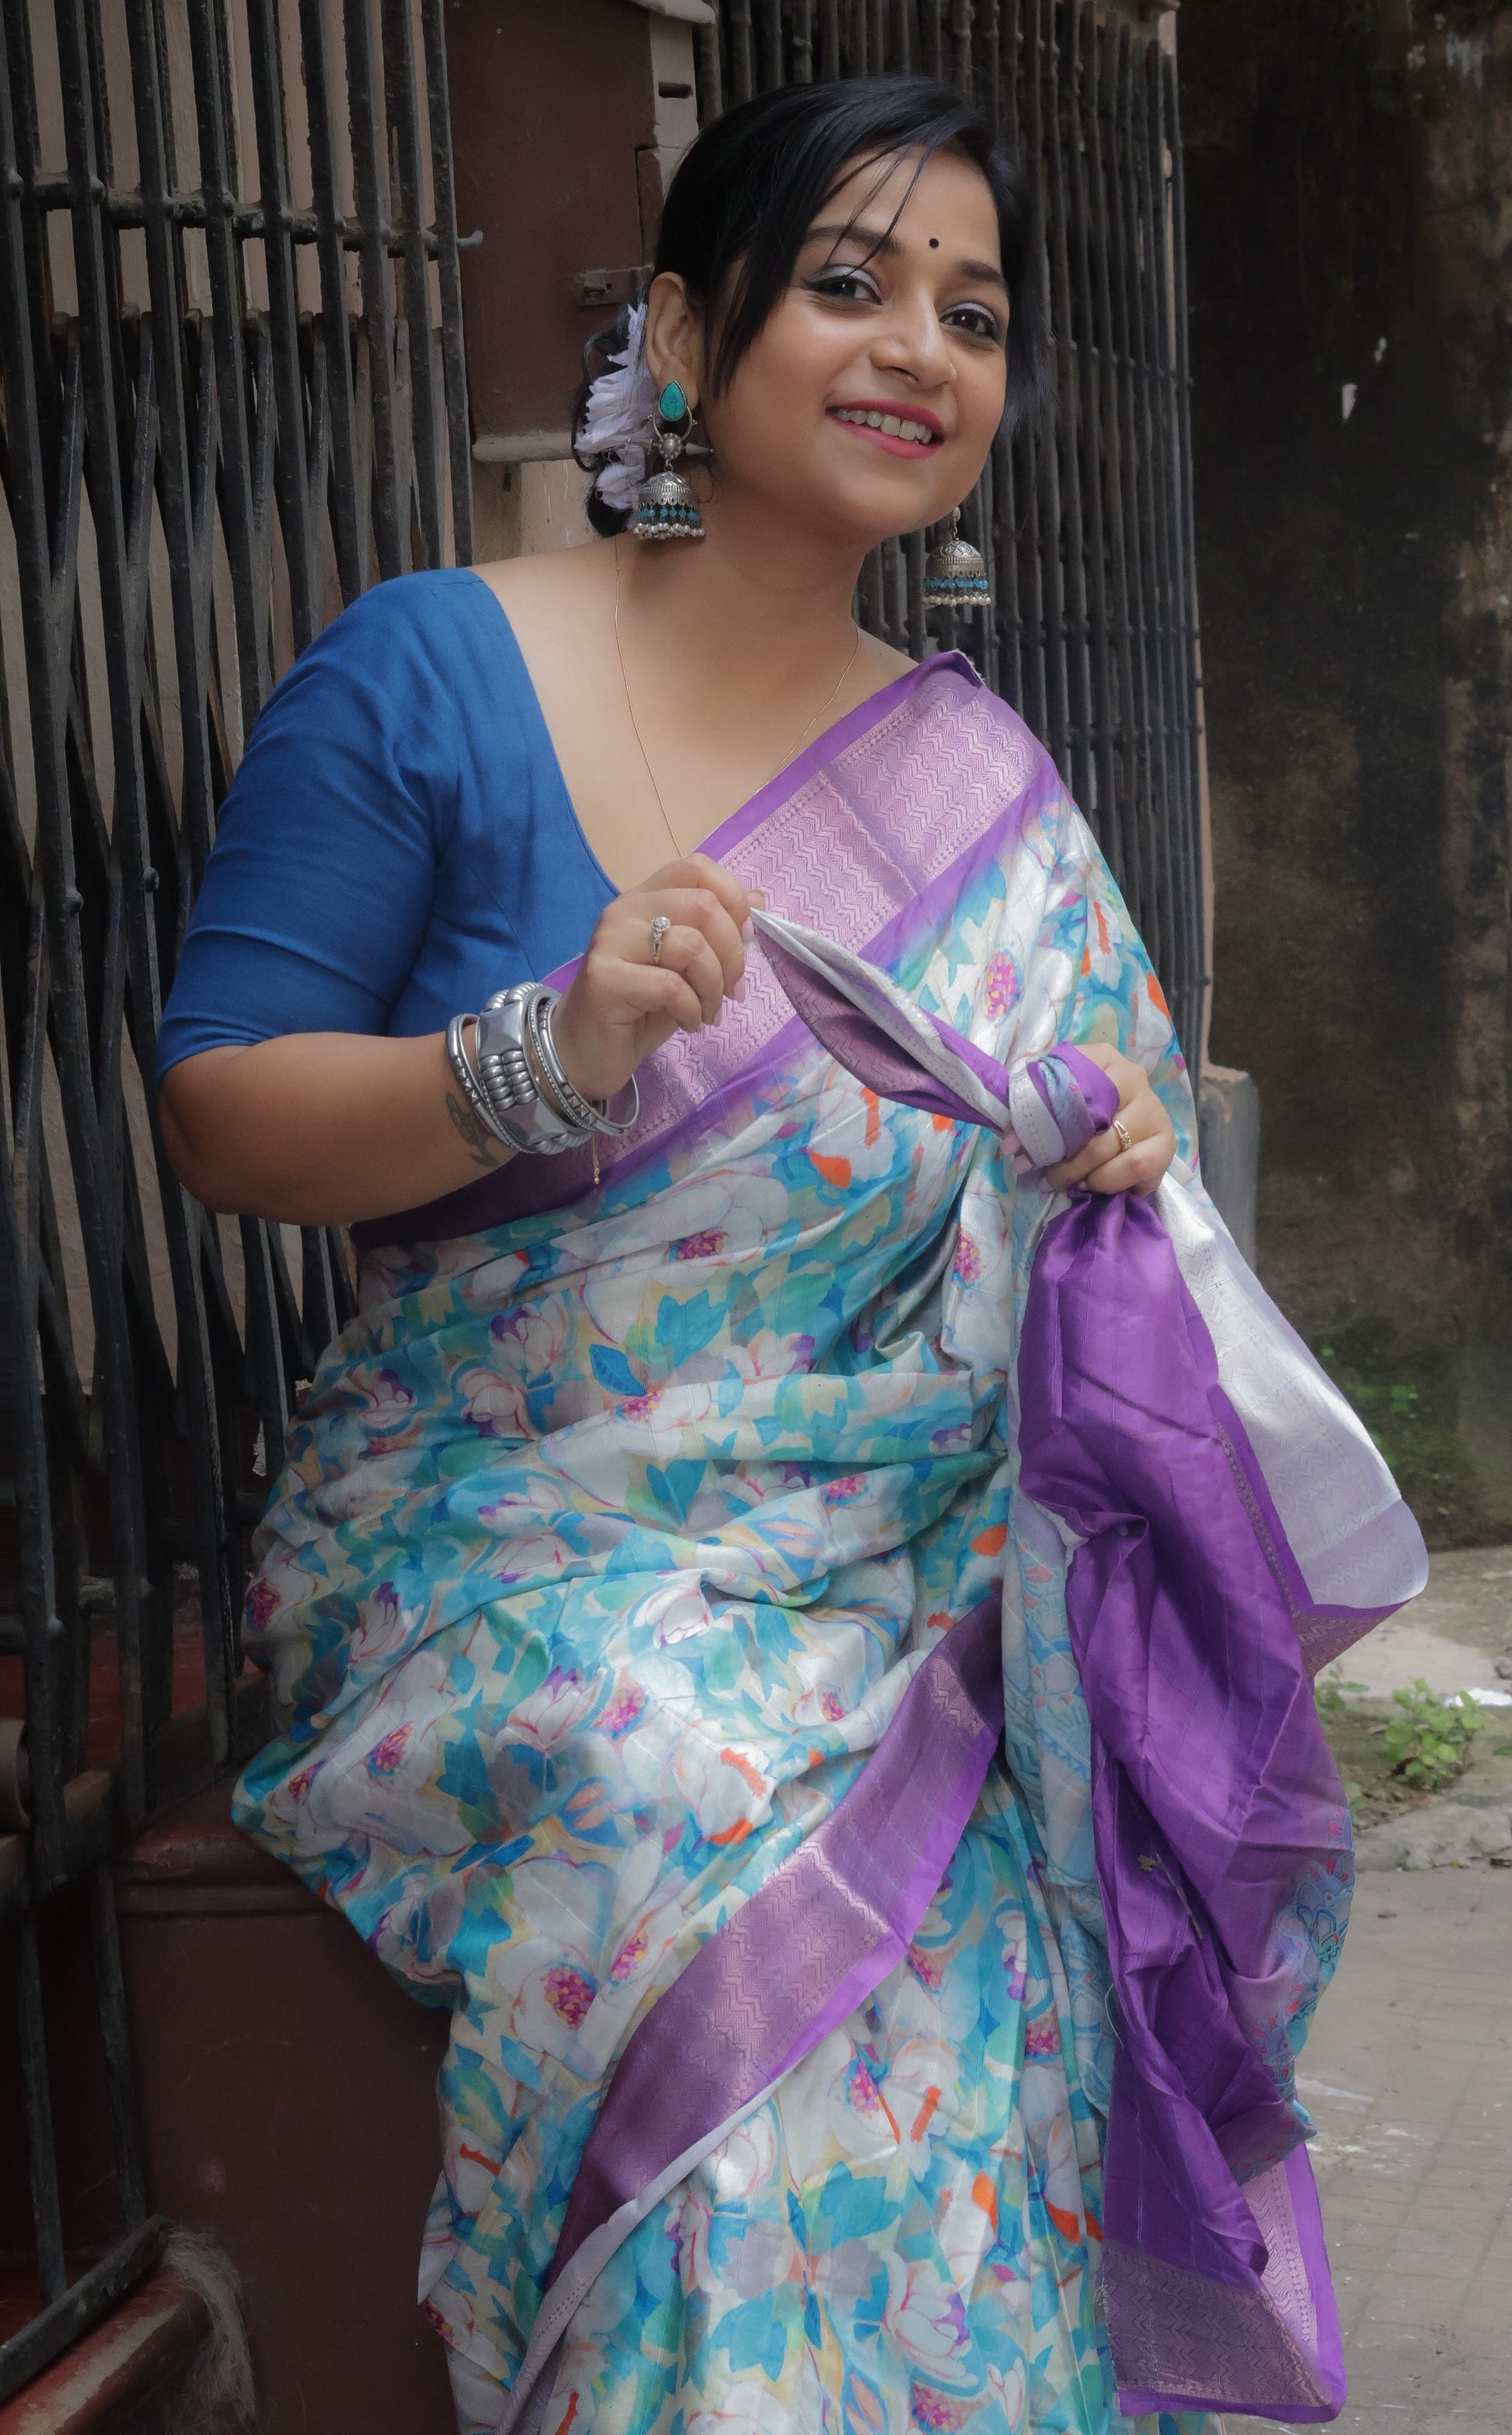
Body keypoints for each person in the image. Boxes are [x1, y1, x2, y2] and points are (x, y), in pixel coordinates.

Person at [158, 77, 1422, 2435]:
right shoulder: (436, 668)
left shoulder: (983, 785)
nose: (914, 347)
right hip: (513, 1543)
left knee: (1040, 1890)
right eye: (846, 282)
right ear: (678, 326)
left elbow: (1100, 1230)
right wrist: (543, 1053)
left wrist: (1109, 1167)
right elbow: (221, 1109)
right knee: (707, 1839)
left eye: (972, 313)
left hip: (891, 1541)